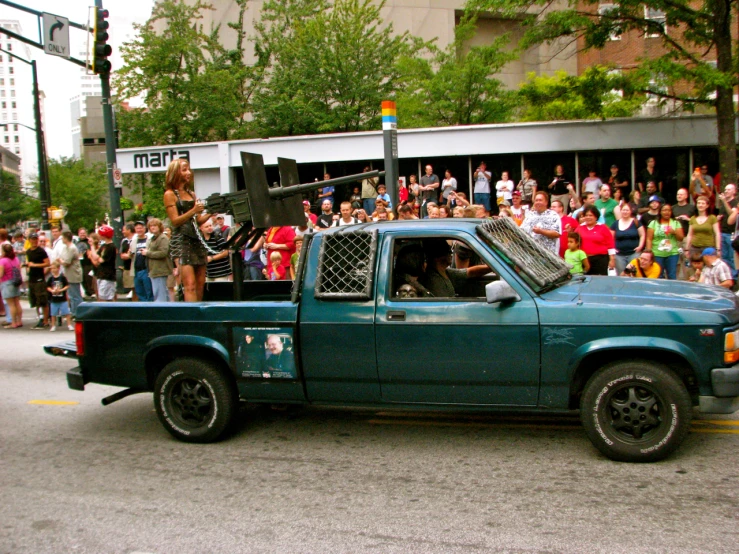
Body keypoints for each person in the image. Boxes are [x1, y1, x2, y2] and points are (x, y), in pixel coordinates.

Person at [163, 158, 210, 302]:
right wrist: (194, 210)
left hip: (196, 239)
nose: (188, 172)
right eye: (184, 169)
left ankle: (200, 313)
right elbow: (175, 221)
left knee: (200, 283)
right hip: (182, 240)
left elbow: (198, 220)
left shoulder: (191, 194)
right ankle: (193, 317)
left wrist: (211, 212)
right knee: (190, 284)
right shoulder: (170, 194)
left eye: (188, 169)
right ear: (175, 172)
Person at [419, 238, 491, 297]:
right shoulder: (434, 282)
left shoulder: (446, 273)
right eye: (447, 252)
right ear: (437, 257)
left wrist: (491, 267)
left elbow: (470, 272)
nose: (451, 254)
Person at [646, 203, 684, 280]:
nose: (667, 212)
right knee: (658, 275)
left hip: (672, 253)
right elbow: (649, 239)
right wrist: (649, 252)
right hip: (657, 253)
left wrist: (674, 232)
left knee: (672, 275)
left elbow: (681, 238)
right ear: (660, 212)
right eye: (664, 210)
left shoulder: (676, 223)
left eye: (669, 210)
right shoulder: (653, 223)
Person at [577, 205, 616, 275]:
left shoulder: (603, 227)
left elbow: (610, 244)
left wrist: (612, 259)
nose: (588, 217)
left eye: (591, 215)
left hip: (600, 260)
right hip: (584, 260)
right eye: (586, 215)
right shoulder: (579, 228)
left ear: (596, 217)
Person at [144, 218, 174, 301]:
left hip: (160, 270)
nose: (152, 227)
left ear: (160, 226)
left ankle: (161, 311)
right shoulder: (153, 238)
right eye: (150, 226)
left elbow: (163, 253)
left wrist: (148, 253)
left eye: (155, 225)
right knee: (162, 293)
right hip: (154, 269)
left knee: (159, 294)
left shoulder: (163, 238)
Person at [610, 203, 644, 274]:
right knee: (621, 274)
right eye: (623, 210)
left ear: (631, 211)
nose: (625, 212)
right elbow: (610, 238)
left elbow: (642, 235)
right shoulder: (615, 224)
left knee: (635, 273)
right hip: (619, 255)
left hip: (634, 253)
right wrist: (613, 249)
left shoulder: (636, 222)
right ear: (620, 211)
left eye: (627, 210)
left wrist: (640, 246)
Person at [25, 232, 50, 329]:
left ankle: (45, 320)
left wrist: (35, 265)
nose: (34, 241)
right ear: (29, 240)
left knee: (42, 299)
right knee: (35, 300)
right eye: (32, 239)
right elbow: (28, 262)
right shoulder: (28, 251)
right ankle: (40, 318)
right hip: (32, 278)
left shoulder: (41, 251)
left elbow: (47, 263)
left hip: (40, 277)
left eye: (36, 239)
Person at [684, 195, 720, 260]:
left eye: (703, 203)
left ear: (707, 206)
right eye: (699, 203)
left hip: (708, 248)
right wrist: (687, 249)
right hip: (695, 248)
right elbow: (689, 234)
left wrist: (718, 248)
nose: (700, 205)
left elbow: (717, 234)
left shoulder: (712, 218)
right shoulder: (692, 218)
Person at [88, 225, 117, 302]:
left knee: (107, 297)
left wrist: (97, 257)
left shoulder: (111, 247)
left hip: (108, 275)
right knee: (101, 296)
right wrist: (92, 246)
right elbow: (95, 257)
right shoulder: (103, 246)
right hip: (100, 274)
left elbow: (101, 260)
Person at [58, 231, 83, 317]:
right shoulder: (66, 247)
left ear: (66, 238)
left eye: (62, 237)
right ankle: (73, 311)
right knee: (71, 294)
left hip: (73, 274)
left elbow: (67, 262)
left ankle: (78, 312)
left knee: (75, 294)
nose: (62, 239)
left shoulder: (72, 248)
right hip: (68, 274)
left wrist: (61, 261)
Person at [716, 184, 738, 279]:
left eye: (729, 189)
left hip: (732, 234)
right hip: (722, 233)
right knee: (724, 258)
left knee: (732, 258)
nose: (726, 191)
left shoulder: (735, 202)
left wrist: (724, 201)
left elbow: (731, 215)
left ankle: (734, 279)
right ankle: (726, 278)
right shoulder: (722, 206)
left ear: (734, 191)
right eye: (725, 189)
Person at [129, 221, 153, 302]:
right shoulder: (133, 240)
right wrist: (129, 254)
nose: (139, 230)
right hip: (136, 269)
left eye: (140, 228)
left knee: (149, 291)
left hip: (146, 269)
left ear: (144, 228)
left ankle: (150, 309)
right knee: (139, 291)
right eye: (137, 228)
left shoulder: (149, 239)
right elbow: (130, 254)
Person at [199, 219, 230, 284]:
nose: (209, 228)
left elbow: (225, 252)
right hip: (209, 272)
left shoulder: (218, 237)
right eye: (206, 227)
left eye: (210, 226)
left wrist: (212, 258)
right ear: (201, 228)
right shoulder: (201, 240)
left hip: (221, 271)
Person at [0, 243, 22, 328]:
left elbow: (1, 274)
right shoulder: (16, 259)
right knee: (17, 303)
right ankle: (19, 321)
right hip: (15, 281)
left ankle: (13, 322)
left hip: (7, 283)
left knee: (11, 304)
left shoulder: (3, 261)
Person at [46, 261, 72, 332]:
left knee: (67, 312)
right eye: (52, 268)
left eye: (54, 268)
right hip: (54, 299)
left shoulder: (62, 278)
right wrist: (52, 290)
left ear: (58, 268)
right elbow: (47, 287)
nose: (53, 270)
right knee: (53, 313)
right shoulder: (50, 279)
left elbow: (67, 285)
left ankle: (69, 324)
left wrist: (61, 290)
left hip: (62, 298)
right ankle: (53, 325)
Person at [76, 227, 95, 299]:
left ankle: (92, 292)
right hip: (80, 263)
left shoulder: (89, 242)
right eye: (81, 233)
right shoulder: (77, 243)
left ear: (86, 234)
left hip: (88, 263)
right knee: (82, 278)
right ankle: (87, 292)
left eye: (83, 233)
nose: (82, 234)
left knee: (88, 278)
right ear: (78, 234)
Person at [119, 223, 136, 299]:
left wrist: (129, 255)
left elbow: (134, 254)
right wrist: (129, 255)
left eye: (124, 230)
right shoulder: (124, 241)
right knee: (131, 287)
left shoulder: (136, 239)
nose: (123, 232)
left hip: (136, 268)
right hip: (127, 268)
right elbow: (122, 255)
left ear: (129, 230)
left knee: (137, 288)